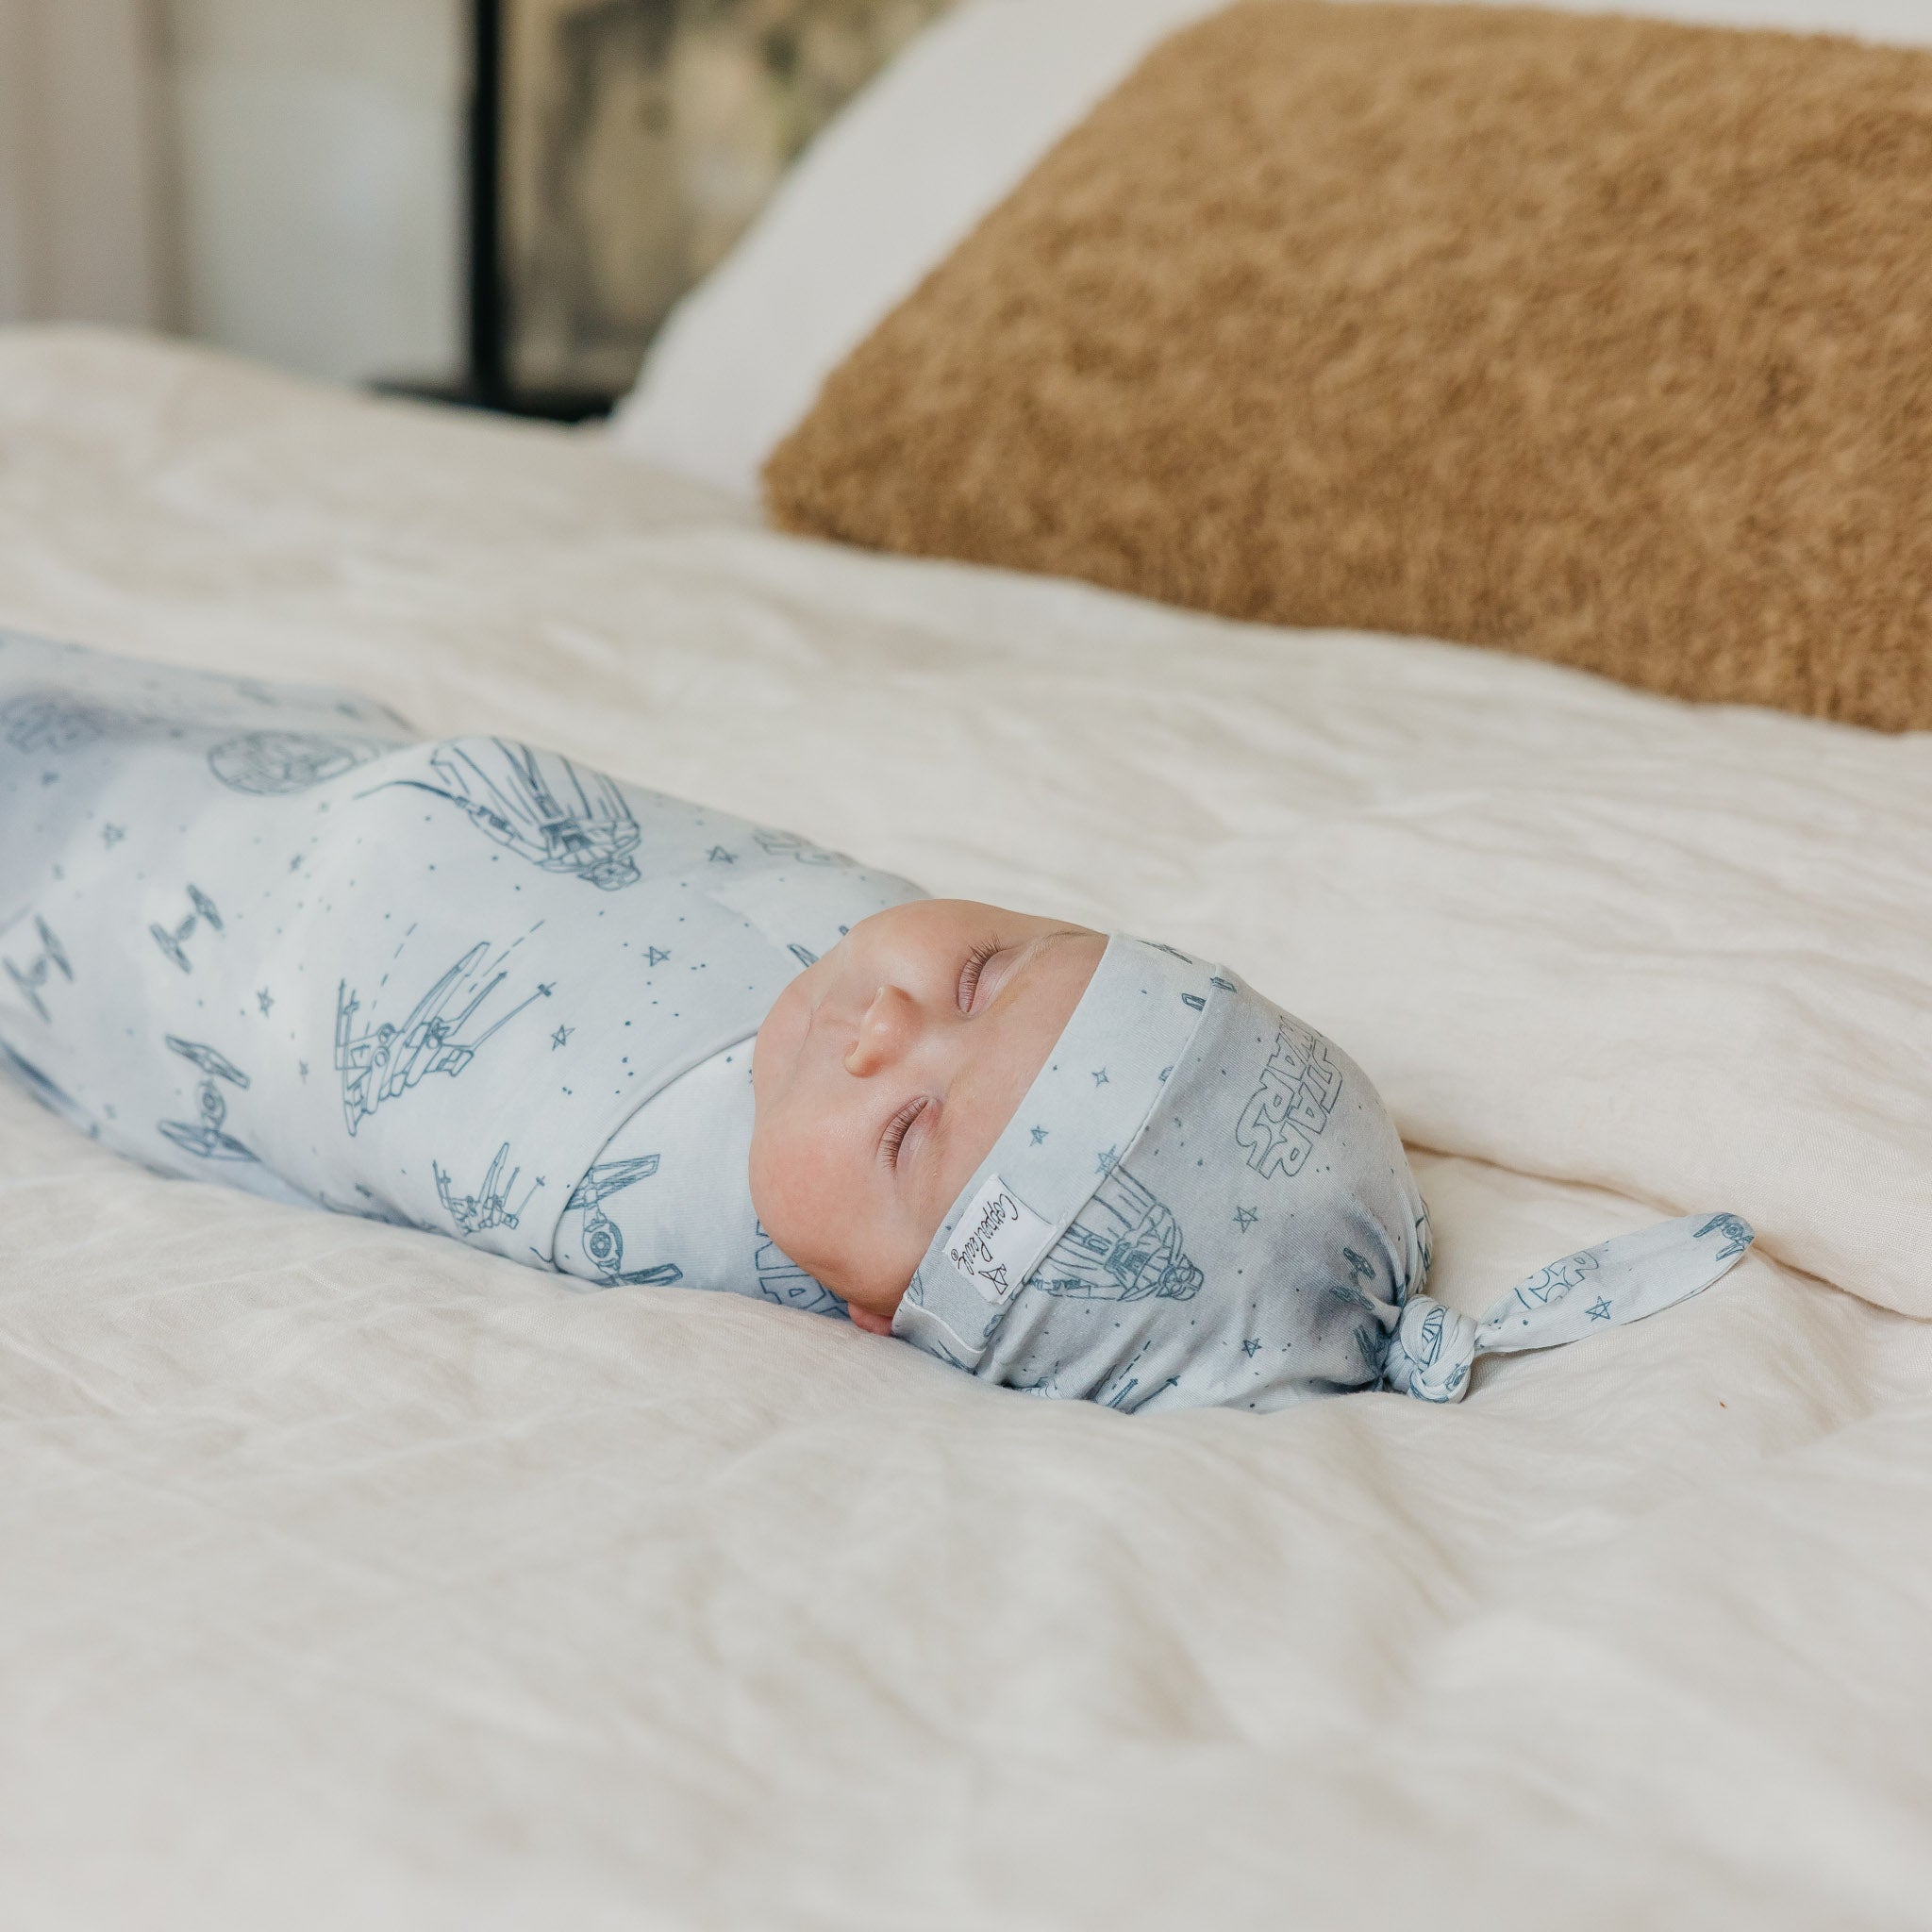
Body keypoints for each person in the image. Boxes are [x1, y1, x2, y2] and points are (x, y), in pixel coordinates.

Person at [0, 633, 1754, 1413]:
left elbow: (322, 1073)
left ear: (877, 1311)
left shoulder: (631, 1199)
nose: (880, 1023)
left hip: (166, 925)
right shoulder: (872, 995)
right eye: (985, 972)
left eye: (912, 1131)